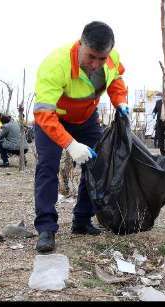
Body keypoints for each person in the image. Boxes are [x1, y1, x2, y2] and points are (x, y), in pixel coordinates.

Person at [33, 21, 129, 253]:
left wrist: (121, 101)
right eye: (90, 57)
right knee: (47, 167)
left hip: (86, 118)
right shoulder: (55, 64)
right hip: (54, 118)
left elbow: (116, 79)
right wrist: (71, 144)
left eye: (101, 59)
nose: (95, 64)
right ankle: (46, 228)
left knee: (96, 165)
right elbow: (44, 113)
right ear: (80, 44)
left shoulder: (111, 58)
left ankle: (82, 220)